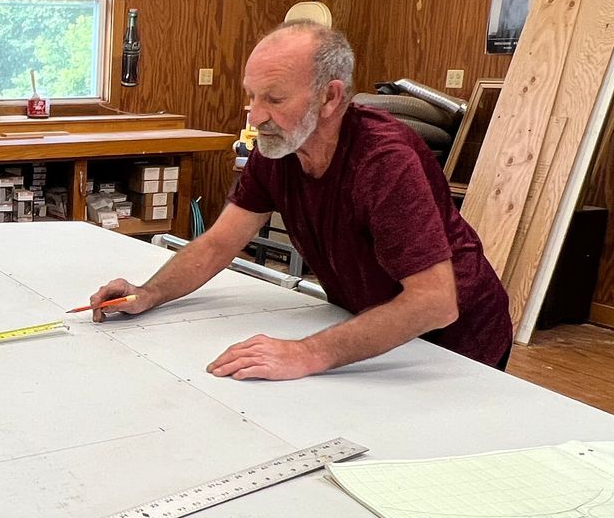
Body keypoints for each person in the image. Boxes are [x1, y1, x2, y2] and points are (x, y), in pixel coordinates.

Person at [87, 21, 511, 378]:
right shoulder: (278, 150)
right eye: (251, 96)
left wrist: (308, 353)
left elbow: (433, 302)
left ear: (330, 97)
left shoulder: (384, 161)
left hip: (452, 344)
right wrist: (149, 293)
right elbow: (218, 243)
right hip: (366, 329)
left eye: (274, 99)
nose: (255, 116)